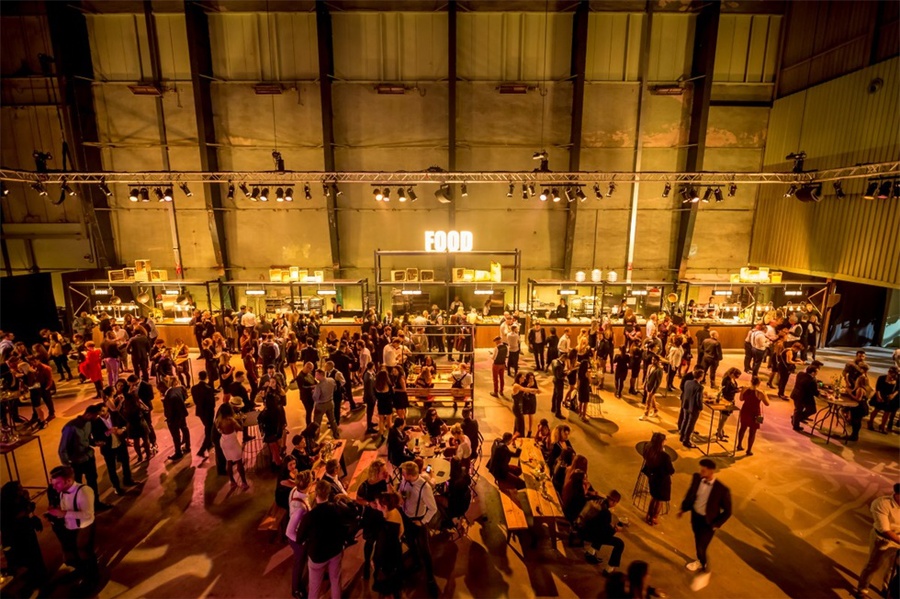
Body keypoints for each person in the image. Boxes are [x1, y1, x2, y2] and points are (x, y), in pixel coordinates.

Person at [46, 465, 99, 592]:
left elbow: (87, 514)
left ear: (69, 481)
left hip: (84, 527)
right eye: (53, 483)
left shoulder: (84, 491)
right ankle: (82, 572)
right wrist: (55, 514)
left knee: (85, 553)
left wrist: (63, 513)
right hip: (70, 526)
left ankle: (93, 579)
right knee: (75, 553)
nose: (54, 487)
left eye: (57, 483)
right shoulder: (61, 491)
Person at [296, 479, 352, 599]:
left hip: (317, 556)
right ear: (329, 493)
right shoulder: (337, 509)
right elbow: (348, 520)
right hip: (335, 551)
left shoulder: (309, 516)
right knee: (336, 580)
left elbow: (299, 539)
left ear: (316, 493)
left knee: (314, 587)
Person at [678, 458, 732, 576]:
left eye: (703, 471)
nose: (701, 473)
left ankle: (703, 564)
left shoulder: (721, 490)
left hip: (708, 522)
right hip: (695, 516)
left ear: (711, 471)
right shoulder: (697, 478)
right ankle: (702, 561)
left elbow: (728, 511)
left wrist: (716, 524)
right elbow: (691, 494)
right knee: (697, 539)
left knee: (701, 545)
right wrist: (683, 508)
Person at [398, 461, 440, 597]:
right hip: (406, 517)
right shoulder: (404, 480)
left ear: (410, 475)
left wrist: (422, 521)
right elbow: (401, 492)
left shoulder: (424, 487)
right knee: (411, 542)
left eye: (404, 473)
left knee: (425, 550)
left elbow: (433, 508)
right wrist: (400, 498)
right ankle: (416, 562)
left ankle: (430, 579)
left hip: (418, 520)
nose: (402, 475)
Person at [58, 404, 111, 511]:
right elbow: (62, 449)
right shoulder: (70, 427)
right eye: (95, 416)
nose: (96, 418)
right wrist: (67, 466)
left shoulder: (89, 423)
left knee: (92, 482)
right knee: (76, 486)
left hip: (88, 457)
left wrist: (95, 443)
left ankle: (95, 504)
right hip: (76, 462)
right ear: (88, 414)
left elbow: (88, 440)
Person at [855, 482, 900, 598]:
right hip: (883, 539)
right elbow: (885, 530)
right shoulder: (882, 503)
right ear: (898, 494)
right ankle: (862, 589)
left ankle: (886, 588)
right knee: (873, 565)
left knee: (893, 567)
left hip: (898, 540)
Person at [355, 459, 389, 580]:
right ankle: (366, 563)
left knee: (380, 542)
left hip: (382, 516)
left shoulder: (385, 481)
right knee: (369, 542)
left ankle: (377, 562)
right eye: (383, 471)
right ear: (375, 473)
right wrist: (368, 503)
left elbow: (390, 495)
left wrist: (388, 482)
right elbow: (358, 499)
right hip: (371, 518)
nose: (386, 473)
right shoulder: (364, 486)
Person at [92, 401, 134, 496]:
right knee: (111, 468)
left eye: (103, 410)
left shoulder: (115, 415)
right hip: (108, 448)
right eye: (99, 412)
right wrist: (108, 432)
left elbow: (126, 423)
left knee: (125, 462)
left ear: (106, 408)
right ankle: (117, 487)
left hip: (120, 443)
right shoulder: (95, 422)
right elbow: (96, 437)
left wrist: (122, 430)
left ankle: (128, 480)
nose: (101, 413)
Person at [581, 490, 627, 575]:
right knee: (620, 543)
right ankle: (609, 569)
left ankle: (591, 553)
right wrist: (615, 529)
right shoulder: (606, 513)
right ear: (614, 502)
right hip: (589, 534)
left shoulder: (599, 501)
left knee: (601, 529)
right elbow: (606, 535)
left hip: (583, 528)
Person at [285, 470, 313, 599]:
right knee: (299, 563)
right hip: (297, 538)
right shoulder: (300, 507)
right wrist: (301, 542)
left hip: (300, 534)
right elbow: (289, 531)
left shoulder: (294, 491)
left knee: (303, 559)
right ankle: (295, 589)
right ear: (309, 485)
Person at [372, 491, 405, 599]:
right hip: (397, 553)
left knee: (387, 586)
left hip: (386, 561)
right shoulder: (395, 511)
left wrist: (374, 561)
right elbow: (402, 531)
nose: (376, 506)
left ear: (384, 507)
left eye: (377, 504)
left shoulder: (385, 527)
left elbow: (380, 549)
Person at [641, 433, 674, 526]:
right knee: (659, 500)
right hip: (662, 481)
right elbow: (671, 470)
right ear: (661, 442)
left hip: (652, 478)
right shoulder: (664, 456)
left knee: (654, 497)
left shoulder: (648, 450)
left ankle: (648, 515)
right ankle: (654, 517)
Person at [215, 403, 249, 489]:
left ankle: (232, 481)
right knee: (239, 463)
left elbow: (219, 430)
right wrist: (241, 420)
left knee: (228, 461)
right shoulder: (231, 420)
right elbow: (241, 428)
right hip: (232, 442)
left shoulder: (218, 420)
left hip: (224, 442)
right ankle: (244, 482)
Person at [736, 376, 770, 456]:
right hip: (755, 412)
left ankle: (739, 445)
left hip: (745, 410)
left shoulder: (745, 389)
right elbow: (767, 403)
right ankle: (749, 450)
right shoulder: (760, 393)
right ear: (759, 383)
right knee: (752, 431)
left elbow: (741, 399)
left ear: (751, 381)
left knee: (742, 428)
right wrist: (765, 395)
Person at [162, 376, 191, 461]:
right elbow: (184, 398)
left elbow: (169, 409)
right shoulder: (180, 389)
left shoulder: (169, 394)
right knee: (184, 429)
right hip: (182, 413)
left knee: (176, 435)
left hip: (174, 417)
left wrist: (168, 418)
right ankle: (187, 446)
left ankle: (178, 452)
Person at [191, 370, 217, 458]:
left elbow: (195, 401)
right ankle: (202, 449)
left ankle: (209, 443)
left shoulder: (194, 388)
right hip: (208, 412)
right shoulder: (208, 388)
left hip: (200, 411)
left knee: (207, 427)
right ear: (206, 377)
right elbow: (212, 403)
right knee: (209, 429)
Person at [790, 363, 822, 432]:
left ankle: (796, 422)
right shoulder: (811, 380)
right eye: (816, 372)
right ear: (813, 373)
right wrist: (821, 394)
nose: (817, 373)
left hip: (795, 394)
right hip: (803, 397)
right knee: (812, 410)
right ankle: (796, 420)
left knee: (798, 410)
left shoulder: (800, 374)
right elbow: (815, 392)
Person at [679, 369, 705, 449]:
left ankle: (682, 436)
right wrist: (700, 407)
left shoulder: (687, 382)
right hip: (693, 408)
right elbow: (698, 399)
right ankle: (686, 440)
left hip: (686, 404)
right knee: (690, 424)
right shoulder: (699, 387)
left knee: (685, 420)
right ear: (701, 377)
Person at [868, 367, 899, 434]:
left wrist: (893, 395)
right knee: (877, 410)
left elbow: (898, 389)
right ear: (889, 372)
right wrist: (878, 397)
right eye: (891, 373)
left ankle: (882, 426)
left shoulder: (897, 380)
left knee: (887, 412)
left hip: (889, 398)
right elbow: (878, 388)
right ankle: (870, 422)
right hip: (881, 395)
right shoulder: (882, 378)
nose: (892, 376)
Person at [312, 368, 340, 439]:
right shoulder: (331, 380)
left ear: (320, 375)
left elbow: (316, 397)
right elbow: (335, 388)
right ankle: (336, 434)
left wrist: (313, 392)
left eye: (316, 375)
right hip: (330, 402)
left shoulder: (319, 386)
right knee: (332, 420)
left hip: (321, 405)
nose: (315, 376)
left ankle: (316, 437)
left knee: (317, 422)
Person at [845, 371, 872, 442]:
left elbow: (858, 399)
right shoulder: (867, 388)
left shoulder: (860, 389)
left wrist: (850, 393)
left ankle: (854, 435)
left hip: (858, 407)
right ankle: (855, 435)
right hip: (862, 406)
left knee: (855, 421)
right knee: (858, 421)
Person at [715, 368, 741, 441]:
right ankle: (719, 432)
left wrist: (737, 389)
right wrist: (736, 390)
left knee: (724, 418)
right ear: (732, 374)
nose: (737, 378)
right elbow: (726, 391)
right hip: (726, 401)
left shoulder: (732, 379)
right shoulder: (726, 380)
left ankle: (720, 431)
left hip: (730, 400)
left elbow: (733, 388)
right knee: (724, 417)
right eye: (736, 376)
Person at [640, 356, 663, 420]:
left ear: (658, 361)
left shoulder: (659, 370)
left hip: (653, 387)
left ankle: (645, 414)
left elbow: (658, 381)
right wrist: (644, 384)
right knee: (652, 399)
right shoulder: (649, 366)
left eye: (655, 360)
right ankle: (655, 410)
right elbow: (647, 376)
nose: (653, 361)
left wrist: (654, 390)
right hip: (648, 386)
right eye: (652, 360)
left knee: (648, 401)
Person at [549, 352, 567, 418]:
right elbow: (560, 376)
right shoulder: (559, 366)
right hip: (559, 382)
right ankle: (558, 412)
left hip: (555, 380)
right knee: (559, 397)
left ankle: (553, 408)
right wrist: (566, 374)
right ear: (564, 358)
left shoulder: (554, 361)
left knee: (555, 395)